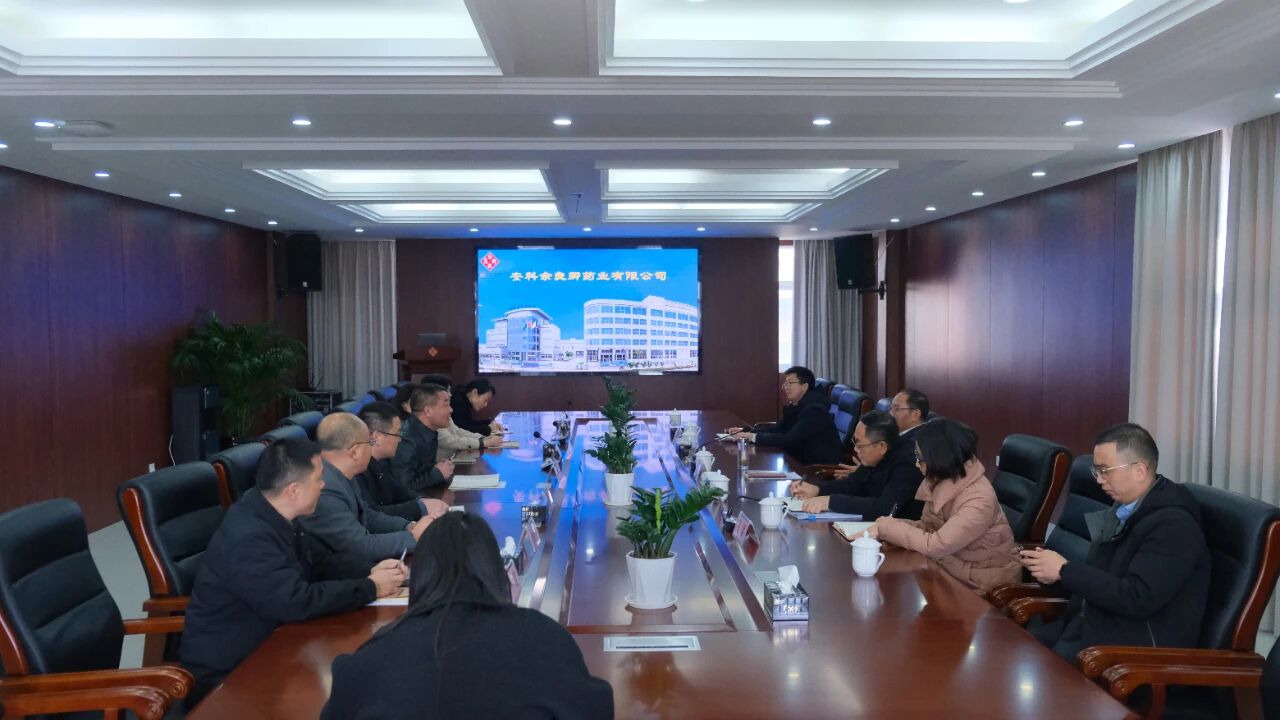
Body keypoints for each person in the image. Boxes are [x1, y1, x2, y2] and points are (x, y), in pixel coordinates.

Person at [321, 512, 614, 719]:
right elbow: (594, 708)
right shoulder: (545, 638)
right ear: (494, 570)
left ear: (421, 574)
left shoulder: (368, 660)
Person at [181, 438, 404, 705]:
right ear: (294, 491)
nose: (323, 486)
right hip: (231, 673)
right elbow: (295, 601)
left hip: (277, 642)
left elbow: (320, 561)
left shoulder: (275, 512)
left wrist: (371, 569)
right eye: (318, 479)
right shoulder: (250, 538)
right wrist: (371, 587)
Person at [1022, 423, 1210, 663]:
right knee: (1014, 653)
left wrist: (1065, 570)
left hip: (1131, 651)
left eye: (1105, 471)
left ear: (1140, 471)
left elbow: (1136, 598)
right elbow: (1100, 576)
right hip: (1090, 624)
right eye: (1096, 471)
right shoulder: (1123, 509)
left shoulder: (1174, 526)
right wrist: (1054, 575)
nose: (1099, 480)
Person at [868, 419, 1021, 592]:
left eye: (920, 458)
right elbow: (929, 528)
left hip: (984, 583)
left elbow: (936, 545)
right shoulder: (940, 478)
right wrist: (888, 526)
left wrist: (889, 528)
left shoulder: (979, 499)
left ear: (939, 457)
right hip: (953, 566)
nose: (916, 464)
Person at [300, 413, 443, 564]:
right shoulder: (324, 488)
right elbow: (361, 546)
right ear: (354, 451)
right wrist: (413, 537)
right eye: (369, 443)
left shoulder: (341, 474)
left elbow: (368, 517)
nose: (372, 448)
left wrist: (409, 527)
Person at [789, 411, 923, 520]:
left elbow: (883, 508)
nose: (856, 450)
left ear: (882, 446)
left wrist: (830, 502)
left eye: (859, 445)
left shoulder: (908, 466)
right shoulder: (874, 456)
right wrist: (817, 489)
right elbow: (852, 485)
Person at [728, 365, 842, 466]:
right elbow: (778, 429)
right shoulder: (799, 405)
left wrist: (752, 437)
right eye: (785, 384)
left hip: (814, 467)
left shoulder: (814, 410)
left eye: (790, 383)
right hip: (798, 458)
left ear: (804, 386)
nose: (786, 387)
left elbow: (789, 440)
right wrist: (748, 432)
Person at [355, 401, 428, 521]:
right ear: (377, 437)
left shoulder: (383, 462)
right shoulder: (357, 471)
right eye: (397, 433)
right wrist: (419, 507)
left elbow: (396, 490)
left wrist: (422, 501)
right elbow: (371, 515)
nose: (399, 440)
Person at [420, 373, 505, 458]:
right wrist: (482, 442)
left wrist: (482, 438)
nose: (451, 394)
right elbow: (449, 440)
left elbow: (457, 431)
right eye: (447, 391)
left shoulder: (445, 410)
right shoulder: (429, 417)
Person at [394, 383, 456, 493]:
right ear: (428, 411)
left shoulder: (428, 430)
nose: (451, 410)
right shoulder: (407, 440)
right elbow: (403, 488)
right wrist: (437, 473)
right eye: (446, 405)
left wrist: (438, 467)